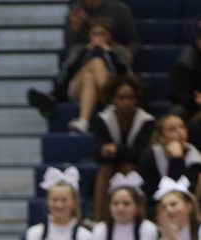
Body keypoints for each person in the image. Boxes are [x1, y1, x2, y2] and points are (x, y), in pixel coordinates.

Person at [89, 75, 154, 214]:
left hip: (139, 170)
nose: (126, 102)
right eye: (121, 98)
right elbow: (97, 150)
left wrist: (116, 150)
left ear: (136, 100)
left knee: (128, 167)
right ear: (112, 99)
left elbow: (141, 154)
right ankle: (98, 219)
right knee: (105, 168)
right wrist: (103, 150)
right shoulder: (103, 119)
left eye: (130, 98)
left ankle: (137, 217)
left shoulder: (146, 121)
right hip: (110, 167)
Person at [59, 17, 131, 134]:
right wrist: (84, 53)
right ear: (89, 35)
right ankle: (111, 105)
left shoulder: (118, 51)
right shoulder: (79, 49)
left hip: (111, 87)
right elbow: (66, 75)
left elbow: (125, 76)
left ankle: (83, 121)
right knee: (96, 63)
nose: (98, 37)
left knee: (90, 78)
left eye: (102, 34)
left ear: (109, 36)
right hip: (77, 88)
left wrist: (110, 54)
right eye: (95, 34)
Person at [139, 114, 201, 202]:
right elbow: (149, 191)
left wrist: (177, 159)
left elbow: (182, 189)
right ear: (161, 137)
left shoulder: (195, 157)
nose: (180, 132)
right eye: (172, 129)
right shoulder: (150, 156)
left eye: (182, 127)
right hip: (156, 204)